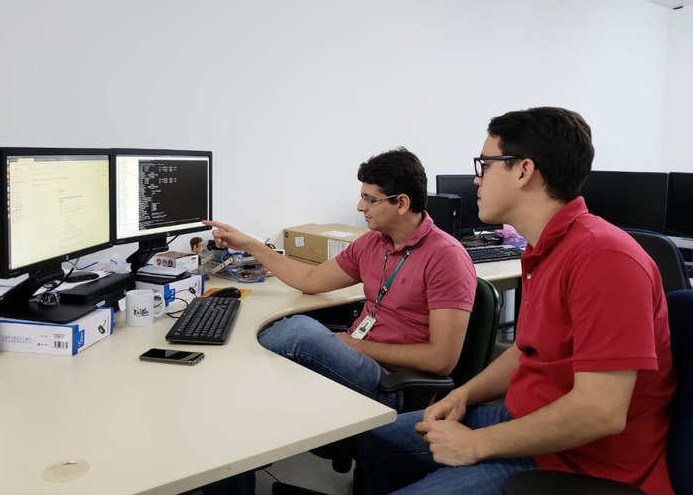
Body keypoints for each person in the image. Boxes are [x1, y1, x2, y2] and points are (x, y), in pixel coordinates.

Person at [357, 107, 676, 495]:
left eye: (485, 165)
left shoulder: (604, 258)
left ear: (524, 171)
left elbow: (600, 412)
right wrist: (463, 394)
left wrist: (476, 444)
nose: (477, 179)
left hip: (581, 463)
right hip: (528, 419)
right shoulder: (546, 248)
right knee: (377, 440)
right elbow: (527, 349)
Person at [205, 147, 476, 411]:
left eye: (370, 200)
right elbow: (310, 279)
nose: (360, 207)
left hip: (394, 383)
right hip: (358, 355)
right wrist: (250, 245)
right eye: (362, 197)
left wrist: (355, 345)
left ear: (402, 203)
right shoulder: (373, 242)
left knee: (298, 332)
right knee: (283, 336)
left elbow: (441, 360)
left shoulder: (446, 257)